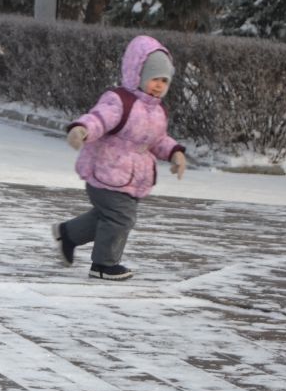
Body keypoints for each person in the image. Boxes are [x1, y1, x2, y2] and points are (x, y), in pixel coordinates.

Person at [53, 35, 187, 281]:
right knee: (121, 217)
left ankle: (68, 234)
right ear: (138, 75)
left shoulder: (157, 110)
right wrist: (82, 129)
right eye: (153, 78)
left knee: (108, 218)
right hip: (106, 171)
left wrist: (175, 152)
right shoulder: (119, 101)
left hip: (133, 178)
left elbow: (157, 140)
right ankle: (104, 265)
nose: (158, 85)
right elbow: (99, 119)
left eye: (164, 81)